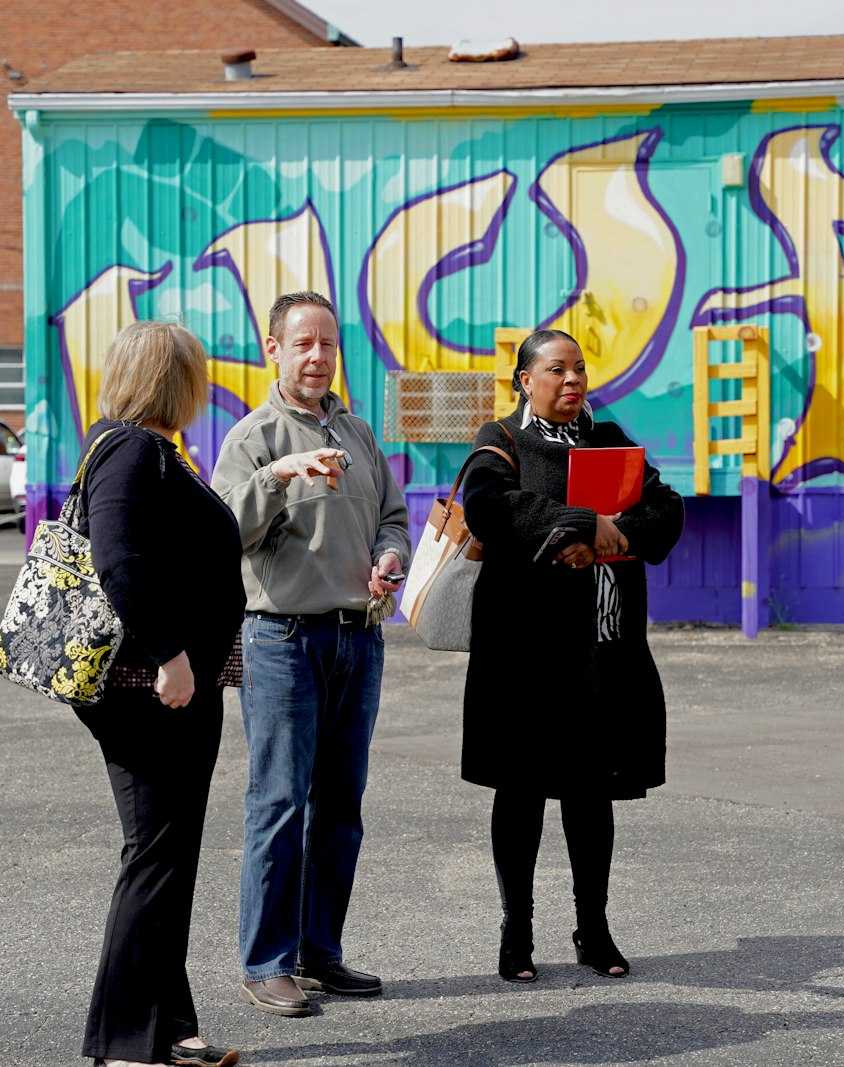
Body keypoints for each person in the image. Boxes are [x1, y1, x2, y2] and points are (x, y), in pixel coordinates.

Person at [458, 328, 684, 983]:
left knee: (592, 793)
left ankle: (594, 928)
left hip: (603, 652)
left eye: (579, 368)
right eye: (556, 370)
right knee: (521, 791)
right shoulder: (498, 440)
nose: (572, 380)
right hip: (525, 655)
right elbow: (487, 506)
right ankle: (516, 932)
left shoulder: (610, 439)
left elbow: (666, 511)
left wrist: (611, 540)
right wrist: (583, 520)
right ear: (525, 379)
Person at [211, 291, 410, 1017]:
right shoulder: (252, 438)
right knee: (278, 803)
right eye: (303, 343)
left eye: (327, 343)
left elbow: (393, 516)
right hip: (282, 641)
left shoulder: (358, 434)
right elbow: (221, 530)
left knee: (340, 808)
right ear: (273, 349)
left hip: (358, 637)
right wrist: (281, 474)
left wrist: (390, 557)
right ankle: (267, 961)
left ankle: (319, 949)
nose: (319, 356)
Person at [72, 320, 245, 1067]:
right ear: (172, 379)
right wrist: (172, 654)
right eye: (194, 375)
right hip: (152, 690)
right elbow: (118, 563)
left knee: (168, 857)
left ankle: (167, 1026)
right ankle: (124, 1042)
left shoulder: (151, 449)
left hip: (176, 688)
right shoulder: (133, 452)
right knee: (154, 855)